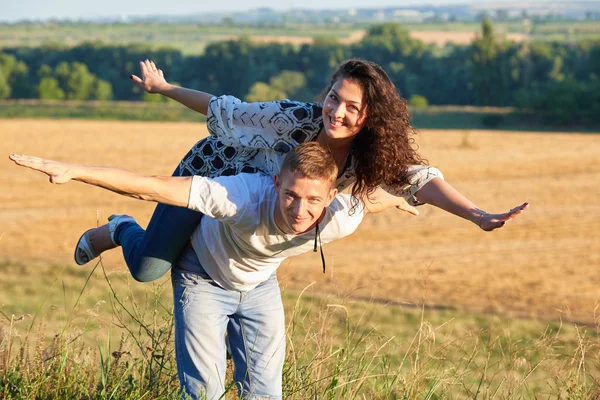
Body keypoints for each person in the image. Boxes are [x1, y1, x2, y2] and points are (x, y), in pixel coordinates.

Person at [10, 143, 416, 399]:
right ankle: (120, 228)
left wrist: (420, 202)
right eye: (290, 195)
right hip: (200, 272)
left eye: (312, 199)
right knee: (202, 391)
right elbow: (150, 186)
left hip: (257, 285)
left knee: (264, 393)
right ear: (276, 184)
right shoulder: (240, 197)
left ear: (330, 197)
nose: (299, 209)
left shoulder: (339, 216)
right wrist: (76, 170)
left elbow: (374, 199)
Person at [71, 58, 529, 283]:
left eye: (352, 106)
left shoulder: (375, 154)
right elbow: (226, 110)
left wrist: (478, 215)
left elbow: (423, 181)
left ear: (371, 115)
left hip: (251, 224)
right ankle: (118, 229)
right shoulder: (295, 119)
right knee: (149, 269)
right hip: (214, 174)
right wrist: (164, 87)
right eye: (334, 98)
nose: (337, 112)